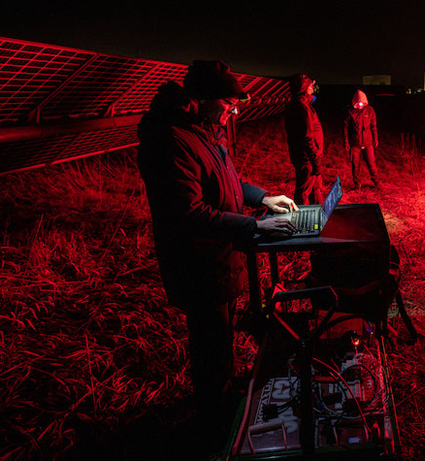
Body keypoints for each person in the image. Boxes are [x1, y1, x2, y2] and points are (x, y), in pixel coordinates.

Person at [136, 60, 298, 441]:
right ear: (203, 100)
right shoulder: (173, 139)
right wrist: (253, 226)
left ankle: (223, 402)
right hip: (198, 262)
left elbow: (226, 180)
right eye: (228, 104)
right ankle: (214, 429)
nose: (234, 112)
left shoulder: (202, 131)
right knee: (210, 343)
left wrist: (263, 197)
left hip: (218, 258)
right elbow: (187, 213)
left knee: (219, 338)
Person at [284, 74, 324, 204]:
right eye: (310, 86)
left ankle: (317, 216)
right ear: (303, 88)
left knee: (313, 189)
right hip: (307, 158)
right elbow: (307, 137)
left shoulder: (299, 104)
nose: (312, 88)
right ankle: (302, 220)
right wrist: (315, 160)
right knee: (304, 192)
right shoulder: (301, 108)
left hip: (307, 157)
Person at [343, 89, 379, 190]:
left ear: (365, 101)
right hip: (355, 143)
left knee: (371, 163)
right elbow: (345, 128)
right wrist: (346, 142)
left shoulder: (370, 111)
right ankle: (357, 184)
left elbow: (373, 126)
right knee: (355, 164)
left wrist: (375, 138)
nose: (360, 105)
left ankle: (376, 183)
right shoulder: (350, 112)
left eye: (361, 102)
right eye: (358, 103)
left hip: (368, 143)